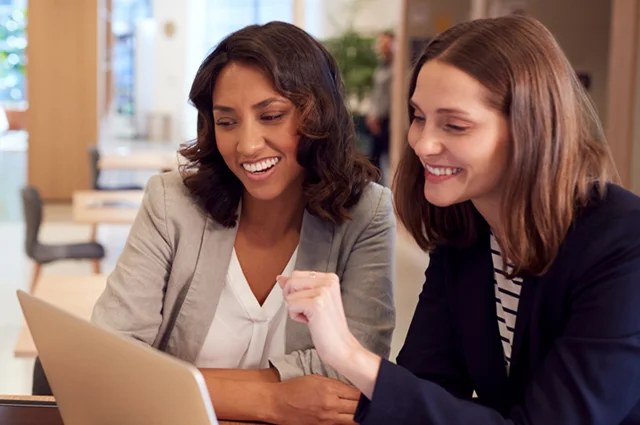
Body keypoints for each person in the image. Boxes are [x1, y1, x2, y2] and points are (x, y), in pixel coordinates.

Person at [280, 15, 640, 424]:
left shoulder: (626, 245)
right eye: (418, 116)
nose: (422, 143)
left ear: (531, 130)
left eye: (454, 125)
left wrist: (348, 355)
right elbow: (425, 388)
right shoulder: (466, 237)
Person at [91, 21, 396, 425]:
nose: (248, 145)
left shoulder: (367, 213)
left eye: (271, 116)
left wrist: (165, 378)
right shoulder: (172, 202)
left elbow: (351, 378)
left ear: (318, 114)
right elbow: (111, 360)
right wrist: (272, 401)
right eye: (227, 122)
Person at [366, 30, 394, 180]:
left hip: (387, 119)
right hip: (377, 118)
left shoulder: (396, 67)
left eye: (385, 43)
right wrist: (372, 114)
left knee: (387, 159)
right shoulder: (382, 65)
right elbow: (377, 94)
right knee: (374, 159)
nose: (382, 46)